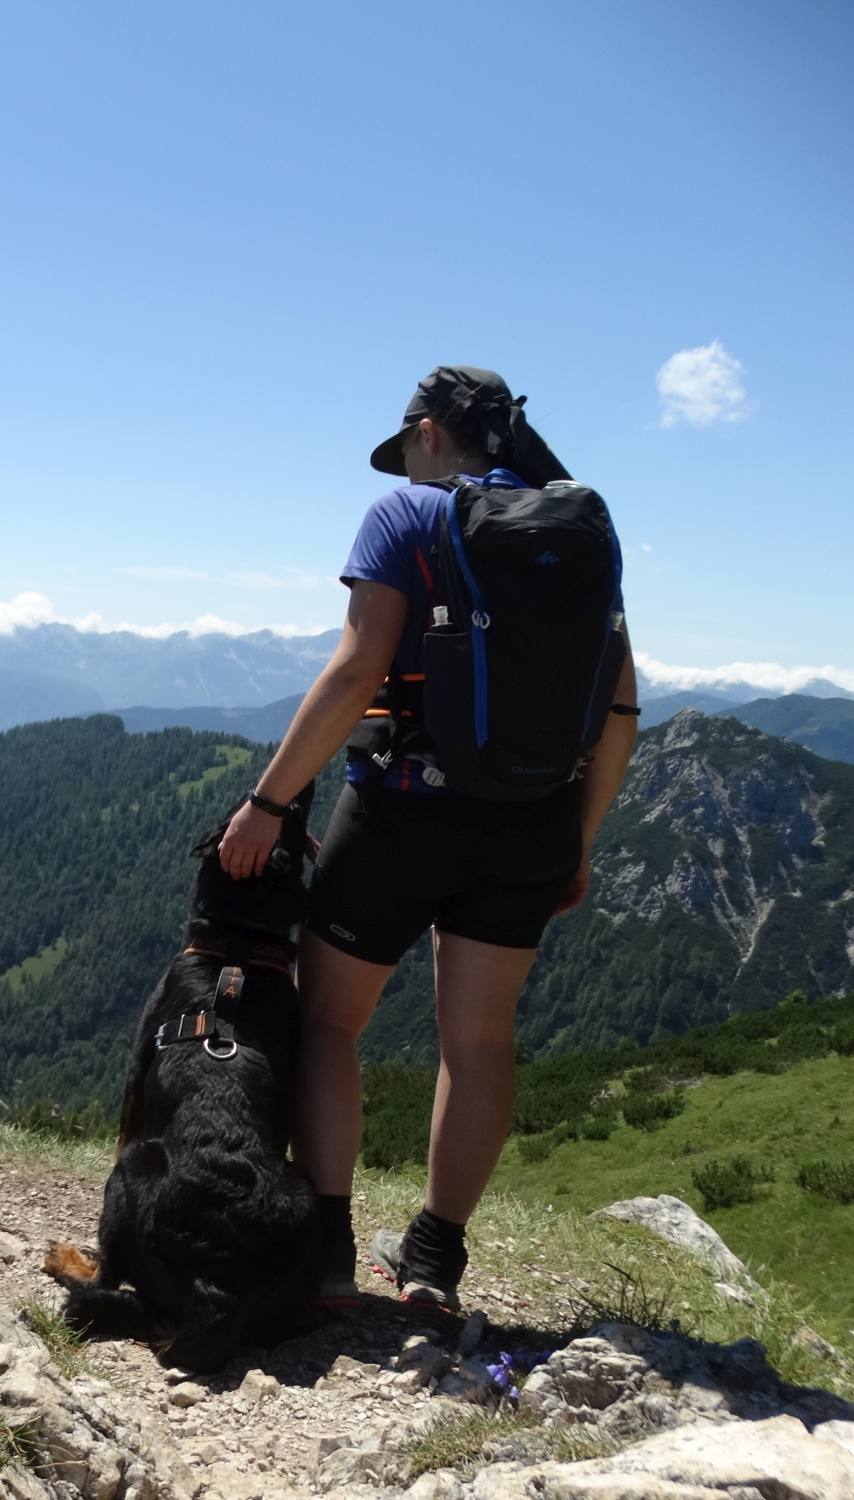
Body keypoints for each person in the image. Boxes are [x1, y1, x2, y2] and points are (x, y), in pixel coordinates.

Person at [215, 366, 640, 1313]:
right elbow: (619, 712)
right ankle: (435, 1264)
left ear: (435, 431)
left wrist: (269, 802)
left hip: (403, 813)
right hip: (530, 824)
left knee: (329, 1021)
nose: (404, 464)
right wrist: (578, 837)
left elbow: (357, 669)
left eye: (407, 443)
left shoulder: (404, 521)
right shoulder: (577, 537)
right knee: (480, 1043)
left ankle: (328, 1249)